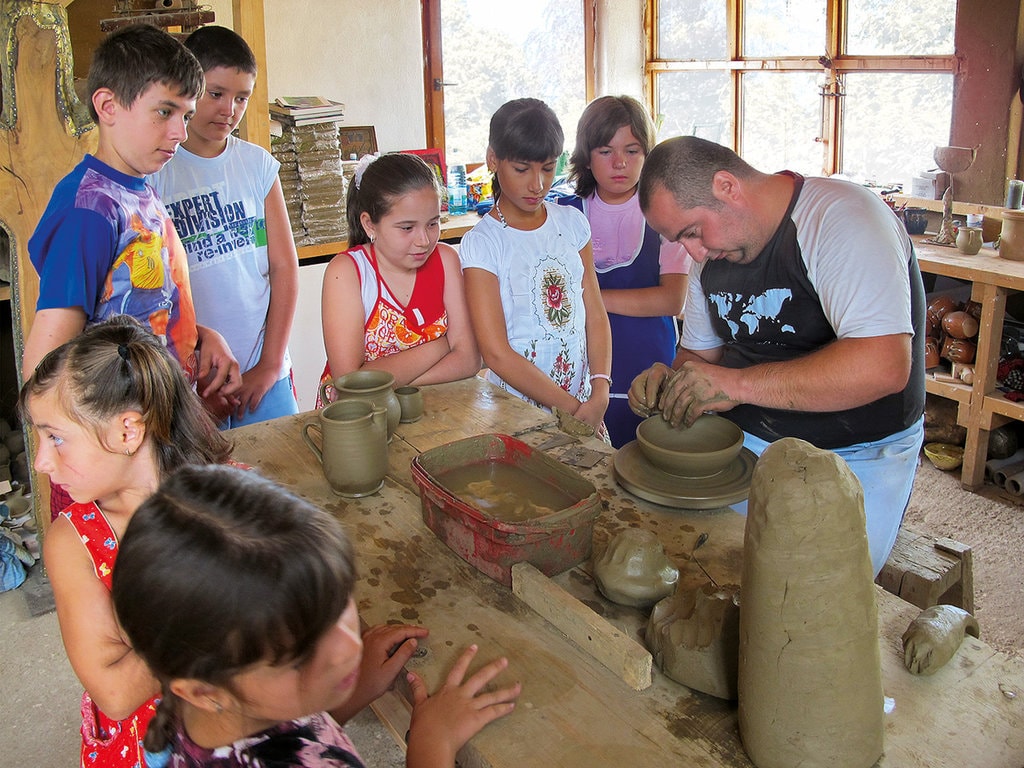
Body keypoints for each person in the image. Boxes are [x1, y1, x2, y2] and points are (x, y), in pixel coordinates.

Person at [628, 135, 926, 575]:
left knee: (809, 599)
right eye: (680, 240)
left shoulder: (842, 220)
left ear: (727, 186)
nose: (693, 252)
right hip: (748, 435)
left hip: (858, 448)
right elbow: (696, 357)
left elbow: (883, 366)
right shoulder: (711, 255)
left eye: (692, 232)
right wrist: (669, 379)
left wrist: (738, 384)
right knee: (675, 557)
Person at [111, 463, 522, 767]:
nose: (347, 647)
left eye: (339, 601)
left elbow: (279, 728)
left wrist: (357, 688)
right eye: (304, 652)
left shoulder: (210, 708)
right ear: (203, 691)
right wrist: (432, 742)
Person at [22, 23, 239, 518]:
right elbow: (47, 358)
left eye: (185, 115)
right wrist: (88, 455)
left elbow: (137, 304)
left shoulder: (137, 188)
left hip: (155, 428)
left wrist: (199, 336)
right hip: (113, 457)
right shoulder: (90, 211)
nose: (179, 133)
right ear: (108, 106)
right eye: (165, 111)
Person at [20, 315, 232, 768]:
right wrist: (224, 611)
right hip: (140, 747)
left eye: (55, 438)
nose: (40, 461)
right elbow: (114, 694)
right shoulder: (74, 540)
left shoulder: (227, 497)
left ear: (128, 431)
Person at [150, 26, 300, 427]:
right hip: (189, 383)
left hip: (263, 374)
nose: (229, 109)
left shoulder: (257, 166)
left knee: (283, 482)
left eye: (242, 97)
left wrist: (269, 365)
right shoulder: (157, 172)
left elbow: (285, 267)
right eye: (215, 94)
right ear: (186, 88)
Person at [459, 98, 612, 434]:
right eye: (521, 169)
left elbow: (595, 314)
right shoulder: (483, 243)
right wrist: (572, 410)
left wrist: (600, 390)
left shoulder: (572, 224)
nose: (537, 184)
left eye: (547, 167)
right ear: (493, 159)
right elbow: (496, 352)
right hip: (517, 413)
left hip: (584, 402)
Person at [558, 96, 691, 447]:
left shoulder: (665, 212)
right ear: (586, 156)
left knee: (645, 463)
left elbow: (671, 299)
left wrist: (590, 297)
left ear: (648, 153)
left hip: (646, 368)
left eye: (632, 151)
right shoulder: (563, 214)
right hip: (577, 373)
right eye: (605, 151)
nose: (620, 163)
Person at [318, 152, 480, 405]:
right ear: (370, 225)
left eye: (433, 223)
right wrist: (442, 345)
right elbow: (351, 383)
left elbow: (469, 360)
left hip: (440, 410)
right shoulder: (347, 273)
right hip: (362, 420)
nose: (424, 241)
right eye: (407, 228)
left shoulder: (445, 260)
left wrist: (393, 382)